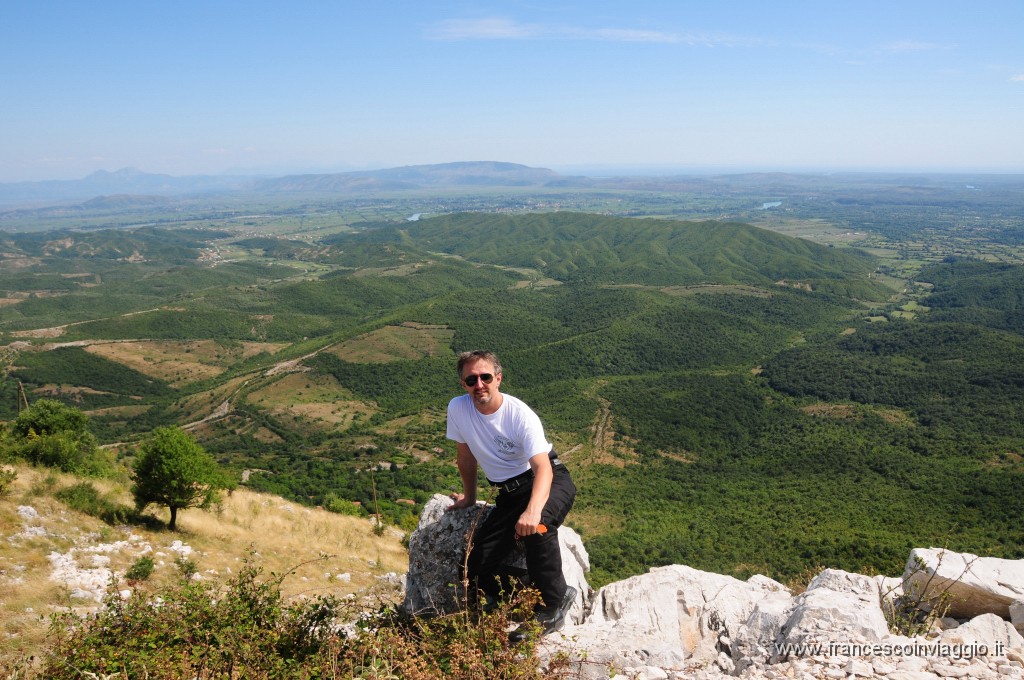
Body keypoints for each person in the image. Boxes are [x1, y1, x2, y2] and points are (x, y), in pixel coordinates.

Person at [445, 349, 577, 640]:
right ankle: (533, 584)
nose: (479, 384)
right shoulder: (458, 408)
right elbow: (465, 458)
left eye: (485, 377)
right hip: (508, 493)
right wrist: (469, 497)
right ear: (463, 384)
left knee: (537, 527)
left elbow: (543, 468)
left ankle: (554, 604)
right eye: (471, 379)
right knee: (474, 568)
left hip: (548, 480)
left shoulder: (518, 414)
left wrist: (532, 511)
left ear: (498, 378)